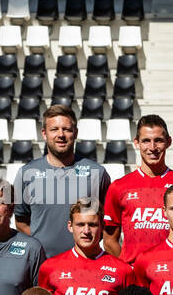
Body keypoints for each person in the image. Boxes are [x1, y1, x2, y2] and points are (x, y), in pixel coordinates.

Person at [38, 198, 134, 295]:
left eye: (93, 225)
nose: (86, 231)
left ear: (102, 227)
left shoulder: (123, 270)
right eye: (80, 225)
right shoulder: (50, 267)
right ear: (70, 226)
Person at [102, 115, 173, 265]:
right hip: (134, 277)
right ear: (136, 143)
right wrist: (126, 269)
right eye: (146, 141)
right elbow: (109, 240)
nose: (153, 148)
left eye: (159, 140)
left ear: (168, 142)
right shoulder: (119, 187)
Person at [14, 104, 112, 257]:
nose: (61, 135)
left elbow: (108, 221)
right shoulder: (26, 174)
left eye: (66, 129)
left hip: (86, 265)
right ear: (44, 134)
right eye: (54, 129)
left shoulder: (96, 173)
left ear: (75, 133)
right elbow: (21, 221)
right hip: (42, 265)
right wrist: (39, 245)